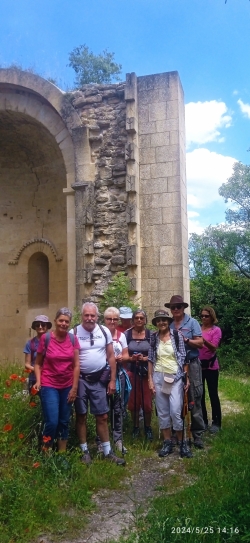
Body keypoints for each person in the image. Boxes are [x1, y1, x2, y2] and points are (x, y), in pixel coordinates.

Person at [72, 302, 126, 466]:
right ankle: (84, 451)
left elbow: (111, 356)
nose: (89, 318)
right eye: (86, 315)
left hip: (99, 380)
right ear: (82, 316)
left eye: (92, 315)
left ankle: (108, 452)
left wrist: (112, 380)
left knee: (102, 416)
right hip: (81, 379)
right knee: (81, 416)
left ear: (97, 316)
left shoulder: (103, 331)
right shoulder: (73, 332)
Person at [34, 308, 80, 453]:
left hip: (67, 385)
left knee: (64, 421)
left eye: (67, 321)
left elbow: (77, 365)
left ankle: (62, 454)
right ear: (55, 321)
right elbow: (37, 363)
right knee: (52, 421)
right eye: (61, 320)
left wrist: (74, 388)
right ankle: (45, 451)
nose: (64, 324)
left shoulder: (73, 339)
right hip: (49, 385)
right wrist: (38, 381)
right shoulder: (46, 338)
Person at [148, 310, 192, 458]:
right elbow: (151, 359)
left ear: (168, 321)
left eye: (164, 320)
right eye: (159, 320)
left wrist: (186, 378)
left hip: (175, 377)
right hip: (158, 377)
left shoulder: (177, 336)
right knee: (162, 412)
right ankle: (167, 442)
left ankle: (182, 442)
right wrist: (150, 379)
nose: (161, 323)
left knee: (175, 411)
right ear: (156, 323)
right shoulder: (153, 337)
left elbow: (184, 358)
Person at [165, 295, 205, 449]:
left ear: (183, 307)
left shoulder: (192, 322)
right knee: (174, 398)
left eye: (178, 307)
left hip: (192, 364)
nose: (175, 310)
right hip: (172, 366)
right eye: (173, 307)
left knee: (194, 397)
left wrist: (186, 340)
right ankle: (177, 433)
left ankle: (197, 434)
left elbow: (200, 343)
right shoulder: (167, 325)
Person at [103, 306, 130, 453]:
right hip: (102, 376)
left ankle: (118, 439)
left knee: (118, 408)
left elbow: (126, 355)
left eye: (115, 319)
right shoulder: (99, 334)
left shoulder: (121, 336)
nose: (112, 321)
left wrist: (121, 358)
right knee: (102, 409)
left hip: (118, 374)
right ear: (104, 320)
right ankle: (102, 440)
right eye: (109, 319)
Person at [125, 309, 153, 440]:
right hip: (132, 372)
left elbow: (155, 355)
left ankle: (148, 427)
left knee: (147, 403)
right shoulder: (127, 335)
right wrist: (132, 359)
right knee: (133, 402)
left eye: (142, 318)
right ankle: (135, 427)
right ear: (133, 320)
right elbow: (124, 353)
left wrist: (145, 359)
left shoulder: (150, 335)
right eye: (137, 318)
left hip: (147, 373)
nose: (139, 320)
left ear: (145, 320)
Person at [199, 306, 222, 434]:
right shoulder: (198, 328)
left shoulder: (216, 330)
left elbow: (214, 347)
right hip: (198, 366)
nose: (203, 318)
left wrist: (203, 341)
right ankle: (203, 421)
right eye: (202, 316)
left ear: (211, 317)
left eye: (206, 316)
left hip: (211, 366)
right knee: (200, 394)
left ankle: (216, 422)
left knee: (213, 394)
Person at [23, 315, 52, 393]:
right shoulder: (30, 343)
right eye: (37, 325)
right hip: (34, 379)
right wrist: (38, 370)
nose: (40, 327)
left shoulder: (53, 341)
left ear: (47, 326)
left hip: (51, 379)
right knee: (34, 403)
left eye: (43, 324)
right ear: (34, 327)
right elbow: (27, 364)